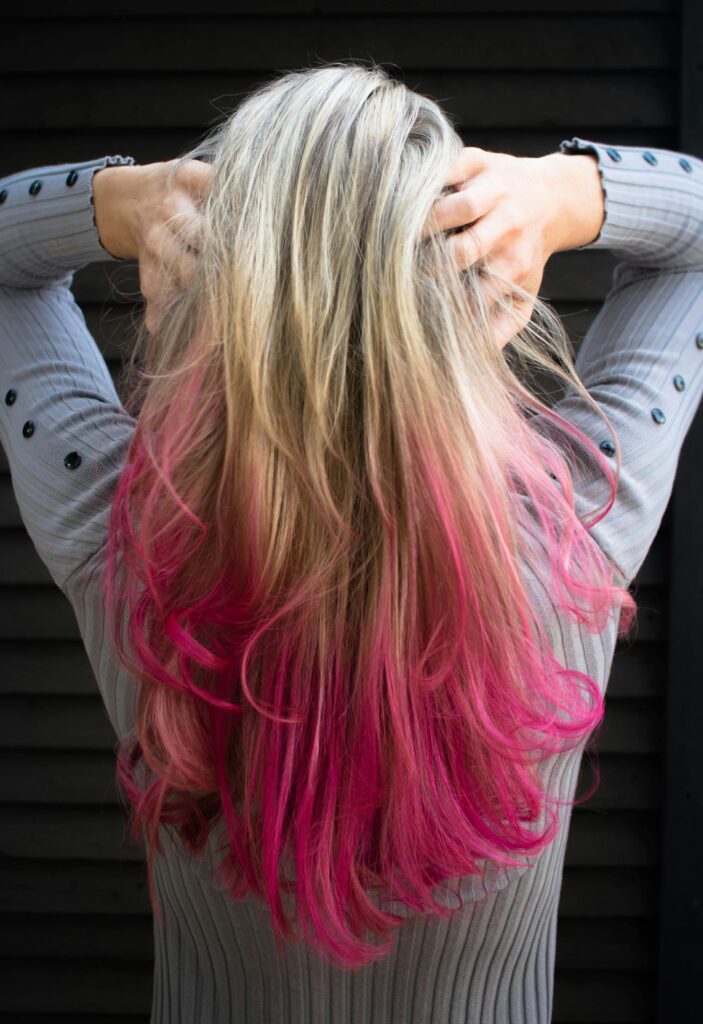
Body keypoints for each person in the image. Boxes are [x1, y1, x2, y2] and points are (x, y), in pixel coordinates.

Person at [0, 61, 701, 1023]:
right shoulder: (574, 518)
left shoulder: (119, 524)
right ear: (473, 293)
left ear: (218, 289)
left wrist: (120, 203)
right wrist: (565, 193)